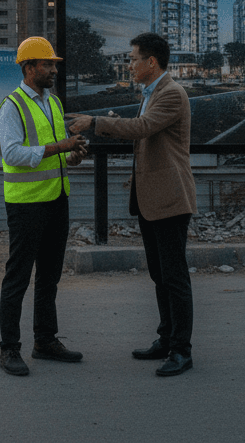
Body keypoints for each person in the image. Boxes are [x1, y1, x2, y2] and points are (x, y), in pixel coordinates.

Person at [68, 32, 197, 378]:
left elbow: (142, 128)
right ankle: (166, 339)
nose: (129, 65)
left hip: (170, 198)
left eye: (133, 58)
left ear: (150, 62)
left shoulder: (171, 93)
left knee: (174, 277)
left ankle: (182, 351)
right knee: (159, 275)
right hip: (151, 198)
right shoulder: (150, 93)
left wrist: (96, 122)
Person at [0, 36, 88, 377]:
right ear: (29, 67)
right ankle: (9, 349)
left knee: (49, 276)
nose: (53, 69)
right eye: (47, 64)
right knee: (18, 278)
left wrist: (72, 154)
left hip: (56, 199)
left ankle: (45, 341)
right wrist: (60, 146)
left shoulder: (53, 102)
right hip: (26, 205)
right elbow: (13, 154)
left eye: (54, 65)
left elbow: (59, 151)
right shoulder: (12, 106)